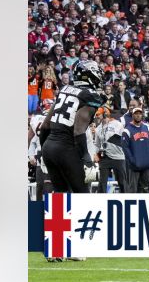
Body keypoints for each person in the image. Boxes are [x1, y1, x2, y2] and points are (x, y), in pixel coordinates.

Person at [37, 60, 106, 195]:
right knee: (81, 194)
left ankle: (57, 217)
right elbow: (78, 131)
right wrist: (87, 159)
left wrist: (43, 151)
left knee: (61, 194)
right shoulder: (89, 96)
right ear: (89, 75)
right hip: (66, 149)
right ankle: (85, 217)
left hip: (49, 147)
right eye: (97, 73)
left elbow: (45, 126)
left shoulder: (64, 89)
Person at [122, 107, 149, 193]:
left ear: (142, 115)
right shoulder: (127, 130)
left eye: (139, 113)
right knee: (133, 189)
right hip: (134, 166)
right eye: (136, 113)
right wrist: (132, 160)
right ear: (132, 115)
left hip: (147, 164)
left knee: (146, 188)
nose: (138, 115)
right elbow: (125, 148)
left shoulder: (147, 128)